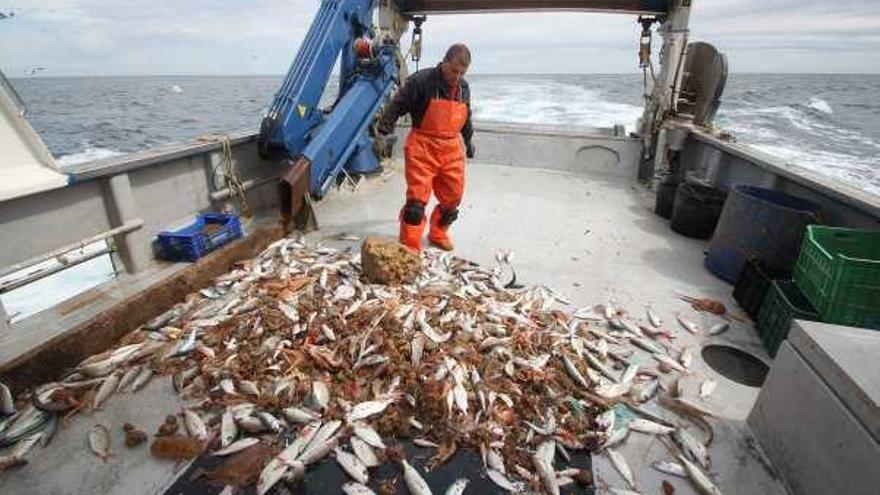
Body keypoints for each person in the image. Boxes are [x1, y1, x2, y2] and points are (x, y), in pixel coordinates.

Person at [377, 43, 475, 252]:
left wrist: (468, 141)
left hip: (451, 149)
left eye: (462, 73)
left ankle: (438, 233)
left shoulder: (463, 88)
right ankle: (410, 245)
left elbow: (467, 118)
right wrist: (385, 126)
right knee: (416, 203)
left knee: (452, 200)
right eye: (454, 71)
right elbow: (398, 104)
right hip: (422, 147)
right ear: (445, 62)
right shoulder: (421, 81)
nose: (457, 77)